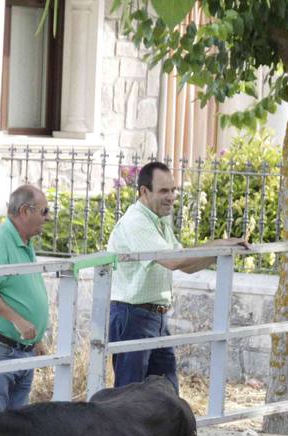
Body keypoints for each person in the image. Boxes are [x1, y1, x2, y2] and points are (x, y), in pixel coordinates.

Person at [107, 161, 249, 390]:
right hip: (133, 316)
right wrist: (219, 244)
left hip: (154, 316)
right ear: (144, 191)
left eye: (173, 190)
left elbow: (187, 265)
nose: (171, 196)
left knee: (167, 393)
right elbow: (175, 261)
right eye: (164, 190)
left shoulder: (158, 222)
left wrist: (223, 252)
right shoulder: (137, 222)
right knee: (129, 395)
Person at [0, 184, 51, 410]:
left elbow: (21, 290)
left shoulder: (24, 242)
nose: (48, 218)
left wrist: (37, 339)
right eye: (44, 211)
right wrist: (18, 320)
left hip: (21, 349)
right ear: (25, 211)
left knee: (15, 430)